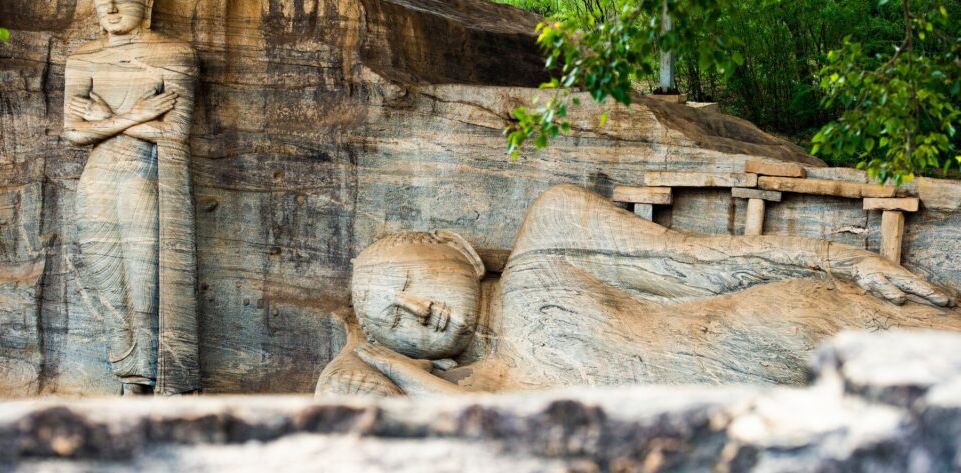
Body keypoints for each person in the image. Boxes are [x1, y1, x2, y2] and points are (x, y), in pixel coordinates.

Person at [317, 184, 959, 396]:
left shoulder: (551, 237)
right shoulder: (484, 386)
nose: (417, 309)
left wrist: (839, 258)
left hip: (800, 327)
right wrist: (366, 359)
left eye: (409, 282)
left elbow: (703, 262)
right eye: (392, 320)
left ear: (454, 246)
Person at [63, 0, 199, 395]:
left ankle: (153, 378)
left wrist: (105, 118)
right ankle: (128, 378)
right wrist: (137, 114)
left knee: (145, 282)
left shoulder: (173, 55)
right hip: (96, 182)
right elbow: (73, 133)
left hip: (144, 177)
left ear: (148, 0)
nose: (111, 7)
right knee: (108, 284)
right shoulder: (83, 58)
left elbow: (174, 133)